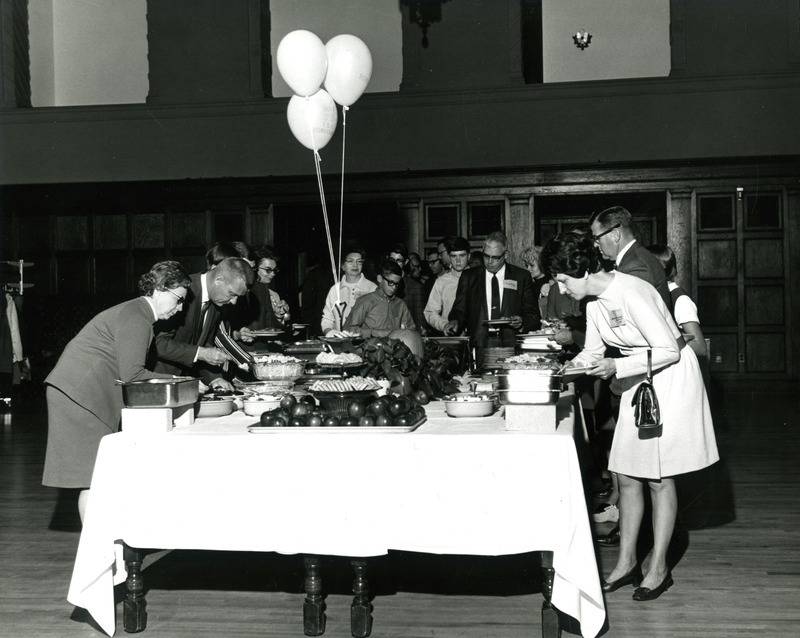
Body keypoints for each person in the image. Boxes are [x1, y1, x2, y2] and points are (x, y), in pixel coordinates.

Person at [540, 232, 718, 602]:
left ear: (583, 269)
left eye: (561, 279)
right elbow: (591, 353)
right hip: (639, 377)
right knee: (626, 471)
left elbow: (670, 349)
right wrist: (554, 374)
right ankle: (626, 563)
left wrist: (617, 365)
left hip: (670, 379)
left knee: (658, 477)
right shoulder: (592, 303)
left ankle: (659, 568)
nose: (559, 287)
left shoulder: (632, 291)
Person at [42, 261, 192, 521]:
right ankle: (99, 552)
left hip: (78, 392)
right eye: (178, 300)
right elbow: (133, 376)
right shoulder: (138, 317)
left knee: (97, 478)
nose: (180, 308)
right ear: (159, 289)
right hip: (78, 396)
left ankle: (104, 547)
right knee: (93, 480)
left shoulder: (137, 313)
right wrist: (185, 381)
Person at [155, 257, 254, 391]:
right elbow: (158, 343)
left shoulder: (218, 299)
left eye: (238, 297)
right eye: (232, 294)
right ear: (218, 280)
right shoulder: (181, 290)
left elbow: (205, 342)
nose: (234, 302)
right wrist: (201, 353)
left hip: (186, 384)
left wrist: (214, 378)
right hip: (159, 381)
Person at [446, 231, 540, 368]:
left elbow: (533, 314)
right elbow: (459, 309)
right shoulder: (469, 277)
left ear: (505, 255)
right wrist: (455, 321)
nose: (489, 262)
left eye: (495, 258)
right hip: (480, 344)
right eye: (486, 256)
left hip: (511, 343)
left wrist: (521, 321)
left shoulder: (521, 276)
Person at [589, 206, 672, 311]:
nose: (595, 245)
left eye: (597, 238)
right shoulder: (635, 258)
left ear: (616, 234)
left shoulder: (636, 266)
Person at [647, 244, 709, 381]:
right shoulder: (657, 296)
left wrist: (663, 350)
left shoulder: (680, 300)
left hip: (681, 375)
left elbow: (700, 346)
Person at [343, 260, 416, 338]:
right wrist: (373, 333)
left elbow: (411, 331)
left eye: (397, 284)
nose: (394, 287)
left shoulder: (401, 304)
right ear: (380, 278)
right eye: (391, 283)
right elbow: (348, 329)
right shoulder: (366, 301)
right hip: (371, 348)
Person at [321, 246, 377, 337]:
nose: (355, 265)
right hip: (339, 342)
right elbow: (327, 319)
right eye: (350, 261)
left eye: (359, 261)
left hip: (365, 342)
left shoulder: (372, 288)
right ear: (342, 266)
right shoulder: (335, 290)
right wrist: (331, 333)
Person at [424, 236, 470, 335]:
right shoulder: (441, 281)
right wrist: (445, 325)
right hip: (451, 338)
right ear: (449, 256)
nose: (458, 260)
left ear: (468, 256)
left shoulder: (478, 278)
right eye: (454, 256)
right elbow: (430, 312)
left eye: (462, 256)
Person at [388, 244, 426, 334]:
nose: (395, 264)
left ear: (406, 262)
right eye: (392, 260)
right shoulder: (380, 284)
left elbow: (420, 321)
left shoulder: (415, 287)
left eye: (399, 261)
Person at [521, 245, 551, 320]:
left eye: (532, 266)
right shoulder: (529, 284)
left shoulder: (551, 284)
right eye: (526, 265)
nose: (528, 269)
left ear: (542, 264)